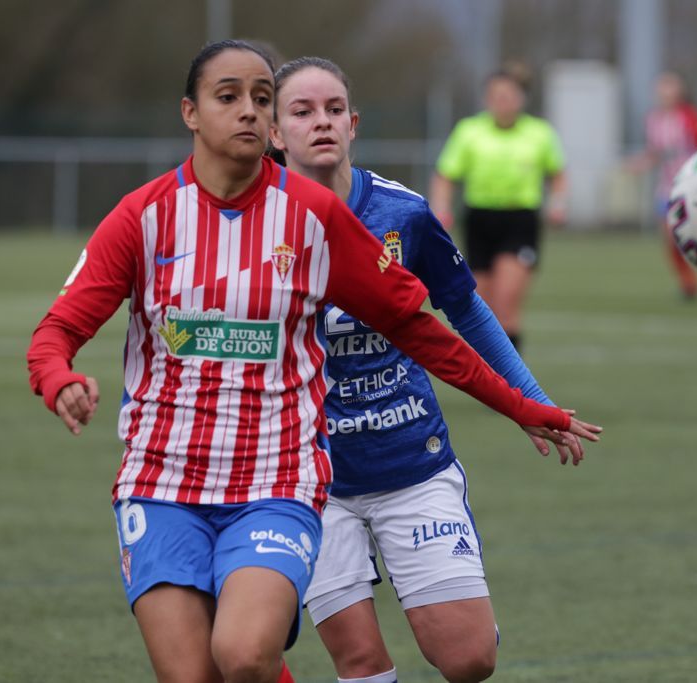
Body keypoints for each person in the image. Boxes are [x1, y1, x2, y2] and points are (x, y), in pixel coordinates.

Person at [26, 40, 600, 683]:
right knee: (210, 672)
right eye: (231, 98)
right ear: (193, 113)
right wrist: (59, 379)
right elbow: (57, 331)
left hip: (302, 476)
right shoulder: (145, 216)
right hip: (173, 480)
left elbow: (426, 327)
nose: (252, 111)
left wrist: (525, 403)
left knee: (273, 656)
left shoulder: (333, 219)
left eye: (263, 99)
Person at [268, 56, 583, 683]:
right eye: (301, 112)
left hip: (412, 461)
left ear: (354, 123)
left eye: (334, 110)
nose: (320, 122)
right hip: (309, 478)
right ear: (275, 132)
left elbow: (467, 310)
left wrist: (529, 399)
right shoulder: (256, 223)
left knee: (469, 660)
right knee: (359, 659)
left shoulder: (403, 216)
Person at [429, 66, 567, 353]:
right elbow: (445, 174)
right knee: (483, 307)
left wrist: (557, 203)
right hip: (479, 221)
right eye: (496, 95)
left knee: (506, 302)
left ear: (521, 99)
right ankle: (491, 378)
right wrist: (440, 208)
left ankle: (513, 383)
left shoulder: (539, 133)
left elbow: (557, 174)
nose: (502, 101)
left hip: (519, 221)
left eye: (509, 95)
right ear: (486, 99)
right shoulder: (469, 131)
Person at [627, 71, 697, 300]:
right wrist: (640, 164)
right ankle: (688, 282)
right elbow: (655, 153)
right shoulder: (653, 120)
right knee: (670, 240)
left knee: (693, 236)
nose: (664, 92)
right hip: (666, 188)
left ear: (679, 92)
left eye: (669, 87)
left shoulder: (689, 117)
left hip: (692, 188)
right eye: (661, 88)